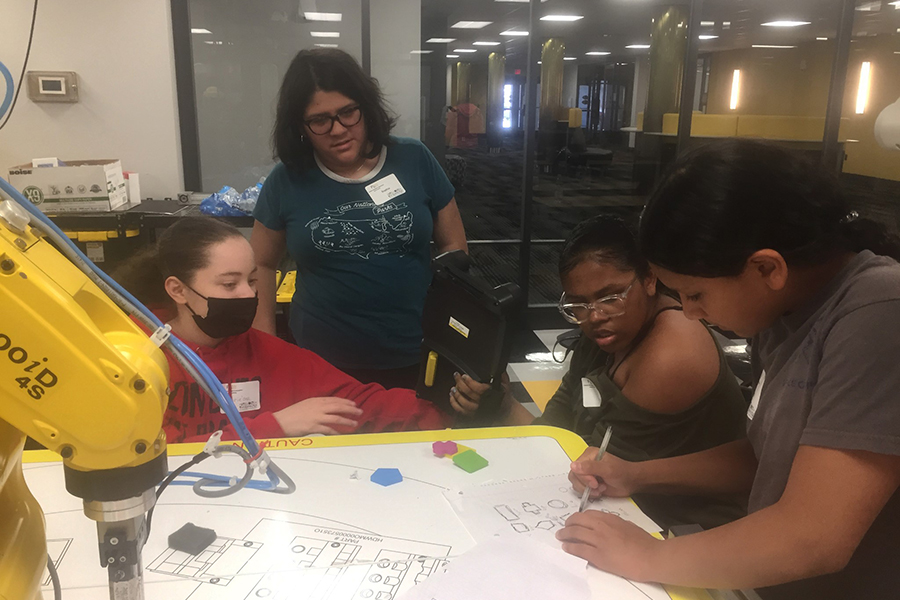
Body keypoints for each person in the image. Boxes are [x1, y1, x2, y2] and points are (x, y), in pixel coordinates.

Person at [560, 139, 900, 599]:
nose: (692, 314)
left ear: (766, 268)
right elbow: (767, 457)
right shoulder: (782, 312)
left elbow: (815, 537)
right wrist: (638, 473)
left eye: (696, 295)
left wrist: (647, 556)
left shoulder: (878, 312)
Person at [451, 216, 748, 530]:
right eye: (578, 304)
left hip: (687, 526)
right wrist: (503, 404)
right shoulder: (608, 333)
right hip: (620, 499)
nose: (594, 316)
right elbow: (557, 432)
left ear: (649, 279)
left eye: (611, 297)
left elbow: (594, 474)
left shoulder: (671, 355)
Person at [114, 217, 448, 444]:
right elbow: (139, 456)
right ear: (178, 290)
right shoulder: (130, 360)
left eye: (252, 281)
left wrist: (453, 405)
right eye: (230, 284)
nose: (248, 295)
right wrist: (276, 427)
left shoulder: (266, 353)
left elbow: (361, 405)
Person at [250, 48, 468, 390]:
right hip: (321, 359)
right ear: (301, 126)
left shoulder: (413, 159)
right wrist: (266, 346)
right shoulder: (287, 180)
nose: (337, 130)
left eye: (348, 112)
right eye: (320, 120)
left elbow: (454, 247)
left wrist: (455, 326)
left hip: (417, 347)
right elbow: (261, 264)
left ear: (366, 107)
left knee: (418, 440)